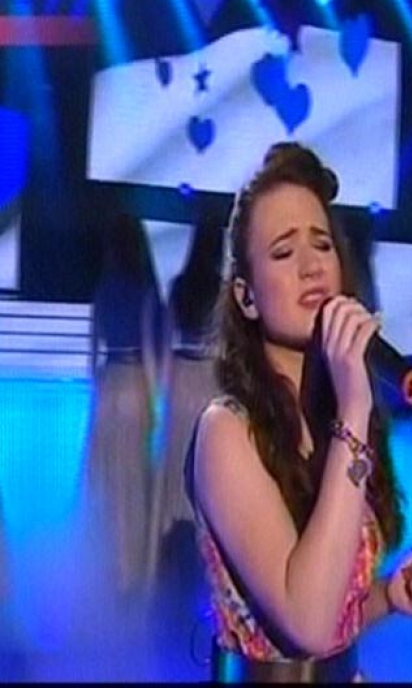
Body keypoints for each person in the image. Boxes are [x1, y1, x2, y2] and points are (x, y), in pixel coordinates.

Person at [187, 142, 412, 683]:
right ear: (247, 297)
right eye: (284, 253)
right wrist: (355, 407)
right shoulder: (227, 431)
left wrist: (388, 595)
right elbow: (305, 623)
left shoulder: (335, 418)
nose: (312, 267)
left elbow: (331, 618)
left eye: (322, 245)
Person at [146, 215, 224, 678]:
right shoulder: (223, 290)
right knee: (204, 480)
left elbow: (164, 341)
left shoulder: (179, 286)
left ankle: (169, 589)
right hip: (210, 382)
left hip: (180, 383)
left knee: (177, 474)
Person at [83, 210, 162, 598]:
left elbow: (92, 352)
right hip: (134, 384)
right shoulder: (145, 292)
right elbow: (149, 352)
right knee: (133, 484)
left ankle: (101, 567)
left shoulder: (103, 289)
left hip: (108, 386)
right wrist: (156, 404)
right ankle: (131, 572)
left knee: (106, 482)